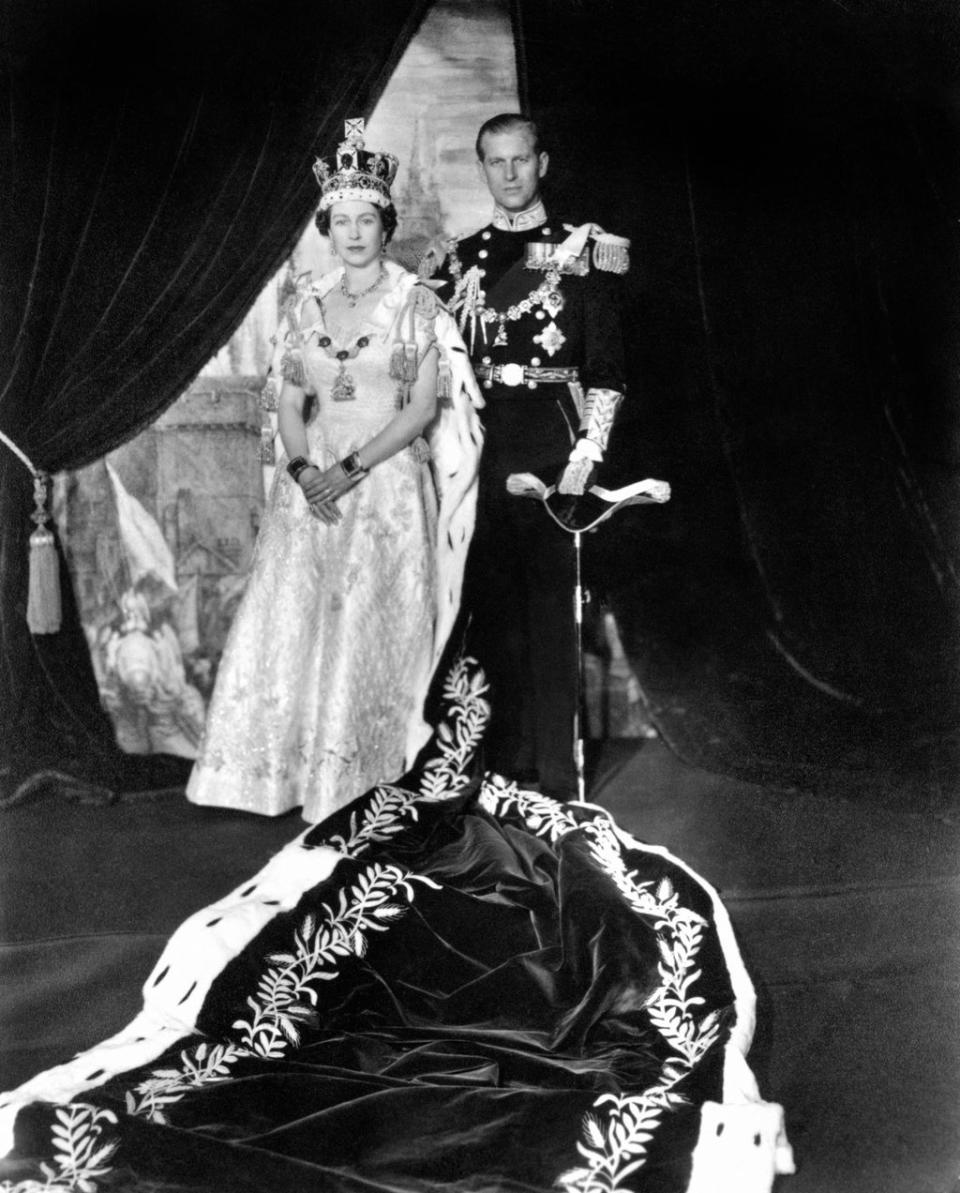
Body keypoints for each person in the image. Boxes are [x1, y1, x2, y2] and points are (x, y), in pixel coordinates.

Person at [186, 119, 483, 823]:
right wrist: (299, 466)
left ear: (386, 225)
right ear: (327, 226)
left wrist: (348, 467)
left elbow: (416, 410)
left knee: (366, 629)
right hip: (310, 486)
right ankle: (275, 777)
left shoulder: (414, 304)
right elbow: (290, 402)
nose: (354, 232)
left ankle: (360, 777)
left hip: (381, 485)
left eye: (367, 219)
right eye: (341, 220)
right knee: (296, 622)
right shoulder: (305, 304)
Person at [425, 113, 630, 800]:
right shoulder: (462, 258)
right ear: (482, 167)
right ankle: (504, 770)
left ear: (541, 163)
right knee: (493, 611)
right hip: (483, 440)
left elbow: (606, 369)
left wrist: (588, 453)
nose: (509, 174)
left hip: (551, 436)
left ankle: (556, 778)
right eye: (495, 162)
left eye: (521, 160)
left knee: (551, 608)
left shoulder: (584, 251)